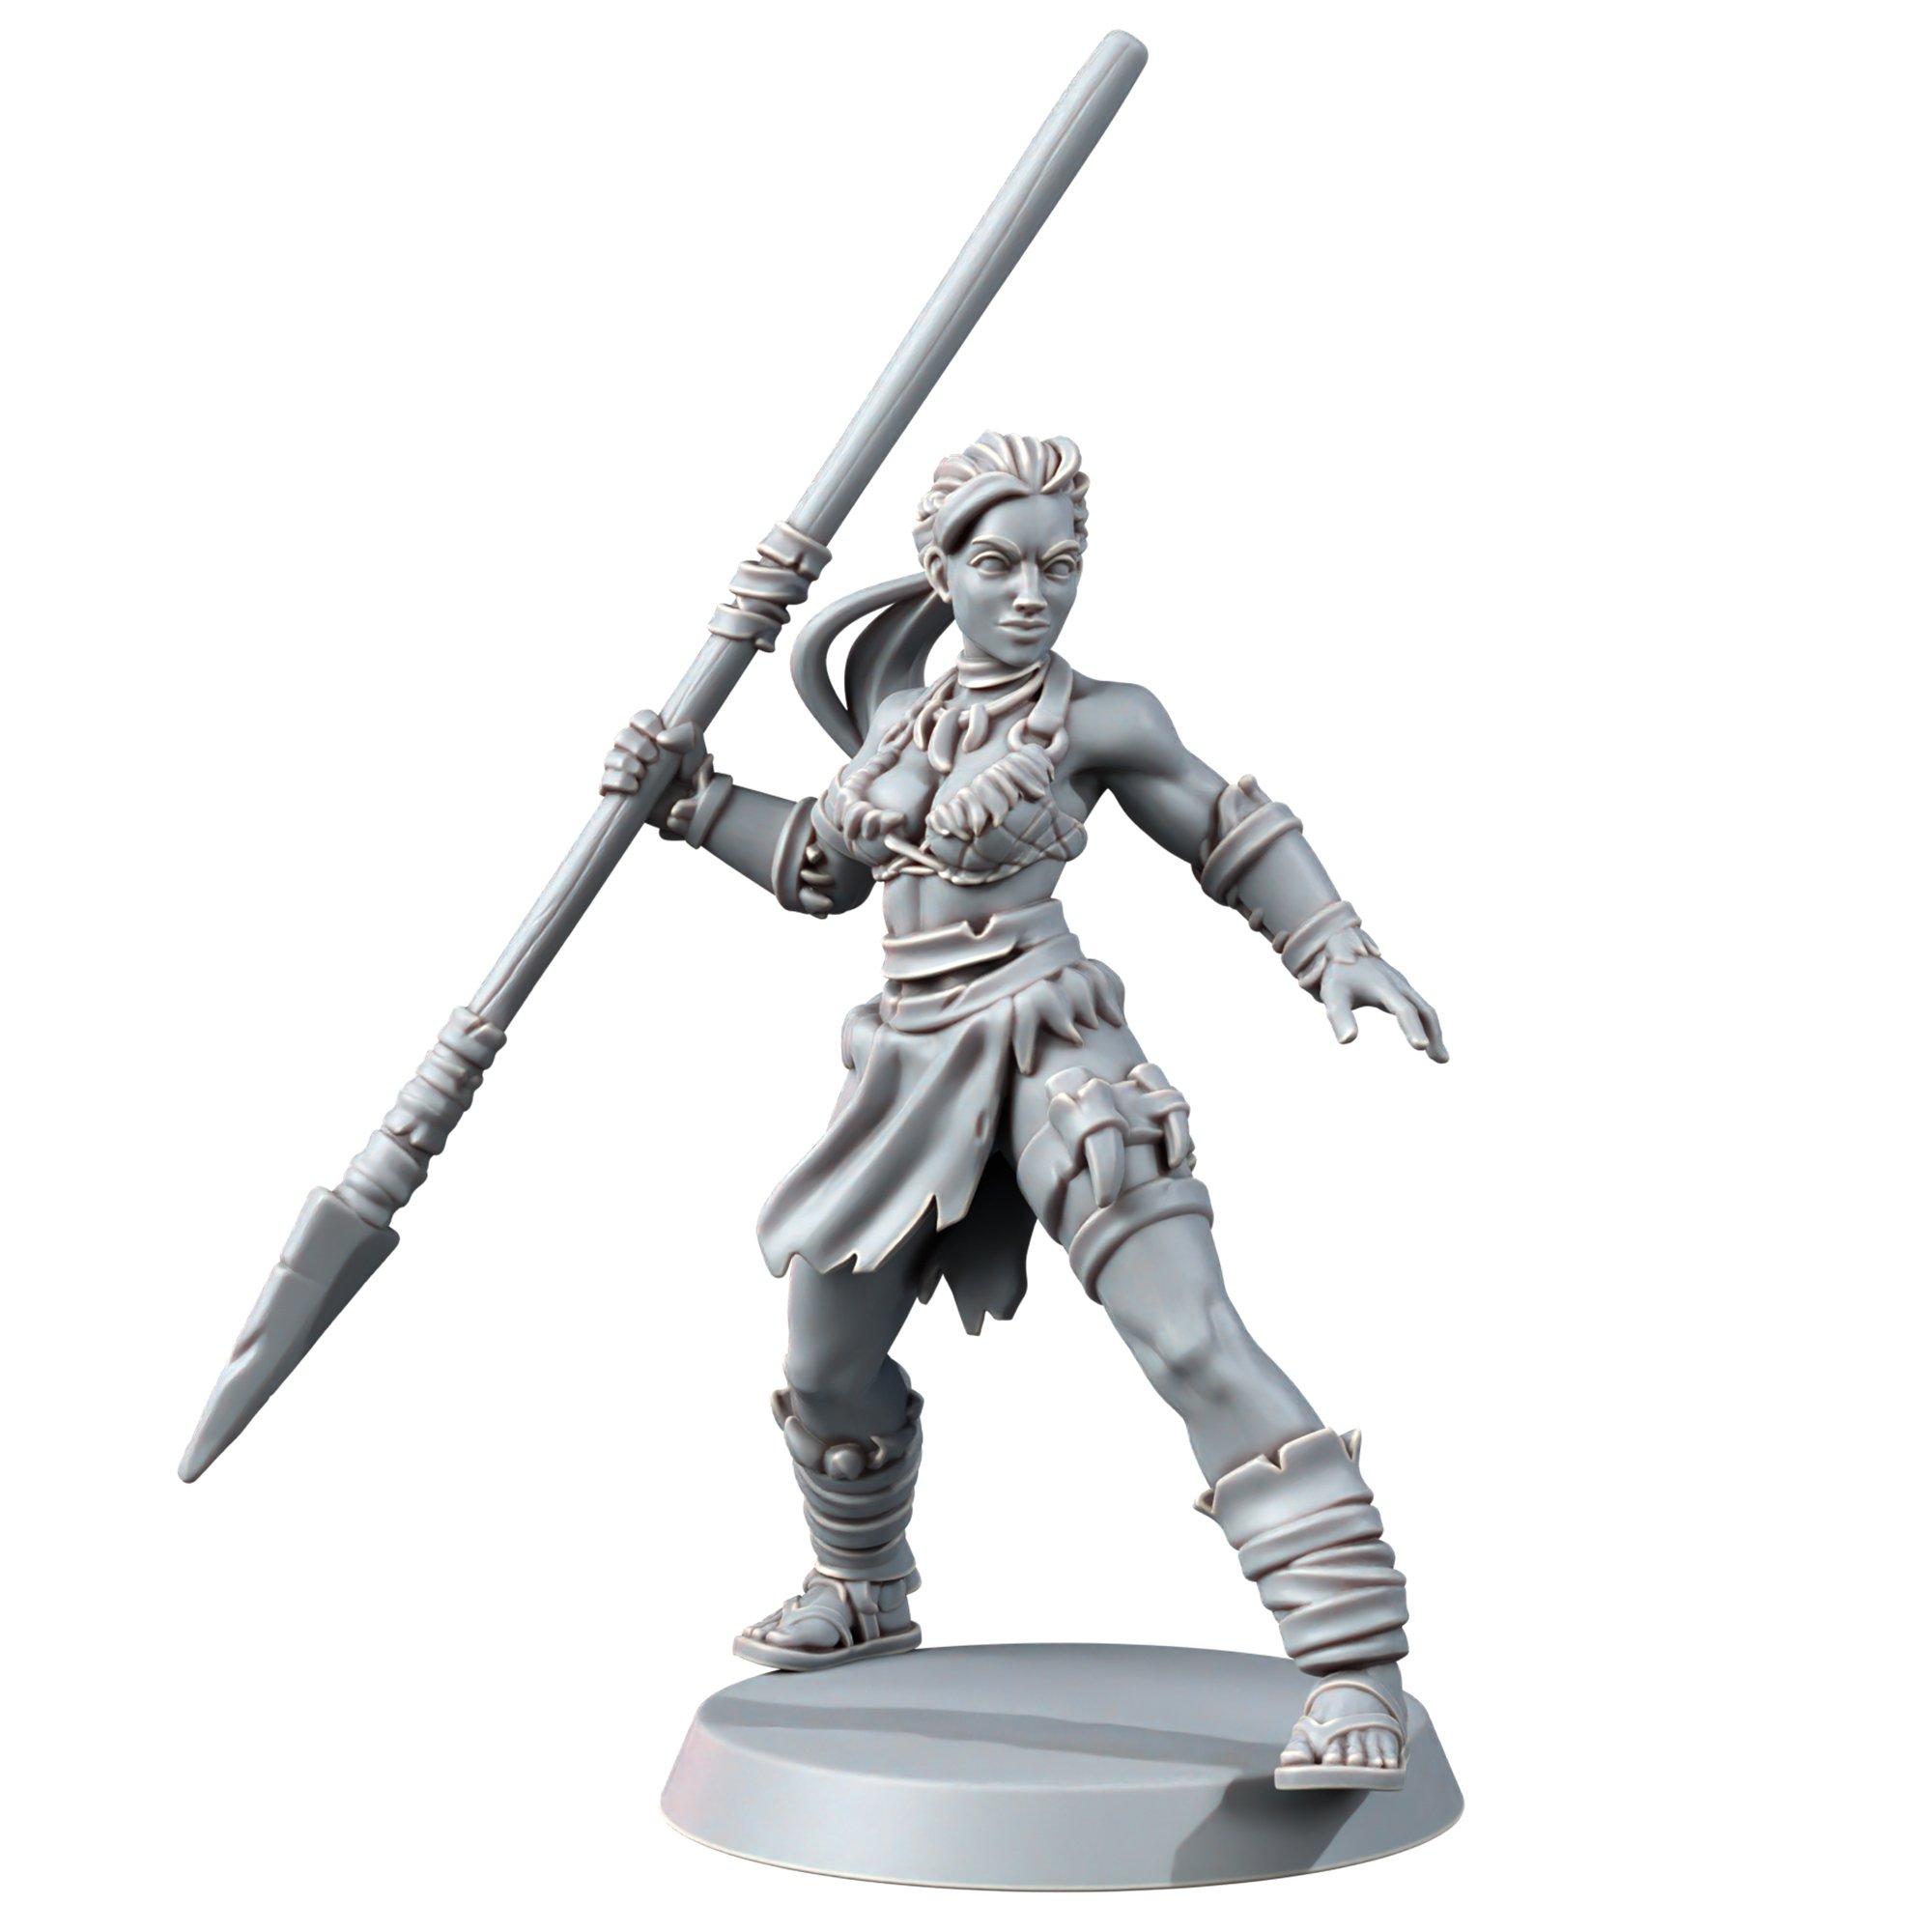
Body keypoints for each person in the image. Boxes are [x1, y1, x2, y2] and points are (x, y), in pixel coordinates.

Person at [602, 433, 1447, 1792]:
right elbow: (819, 872)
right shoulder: (898, 721)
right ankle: (862, 1586)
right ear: (939, 572)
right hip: (908, 1064)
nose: (1033, 594)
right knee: (825, 1364)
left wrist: (1334, 945)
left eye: (1060, 565)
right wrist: (694, 803)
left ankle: (1354, 1670)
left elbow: (1226, 829)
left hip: (1057, 1049)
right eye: (998, 565)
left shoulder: (1100, 718)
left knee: (1190, 1336)